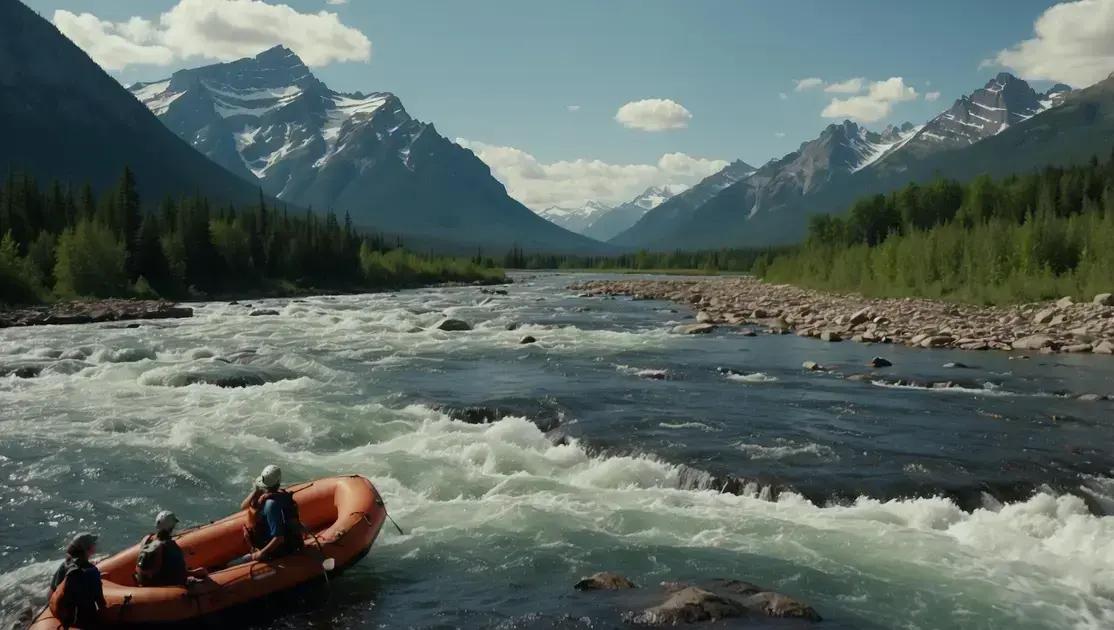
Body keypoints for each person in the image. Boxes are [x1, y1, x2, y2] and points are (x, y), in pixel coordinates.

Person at [240, 465, 304, 562]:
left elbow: (279, 538)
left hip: (275, 550)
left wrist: (261, 553)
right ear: (278, 482)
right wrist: (255, 491)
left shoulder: (271, 505)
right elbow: (243, 506)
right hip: (262, 541)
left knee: (238, 562)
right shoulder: (263, 495)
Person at [134, 511, 208, 587]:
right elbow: (179, 573)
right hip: (161, 587)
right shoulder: (170, 546)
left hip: (143, 583)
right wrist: (196, 572)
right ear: (171, 527)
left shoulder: (146, 539)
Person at [49, 532, 106, 628]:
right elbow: (100, 602)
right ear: (88, 548)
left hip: (64, 616)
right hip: (83, 620)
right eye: (93, 543)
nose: (95, 545)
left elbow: (53, 588)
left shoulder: (66, 564)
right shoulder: (92, 571)